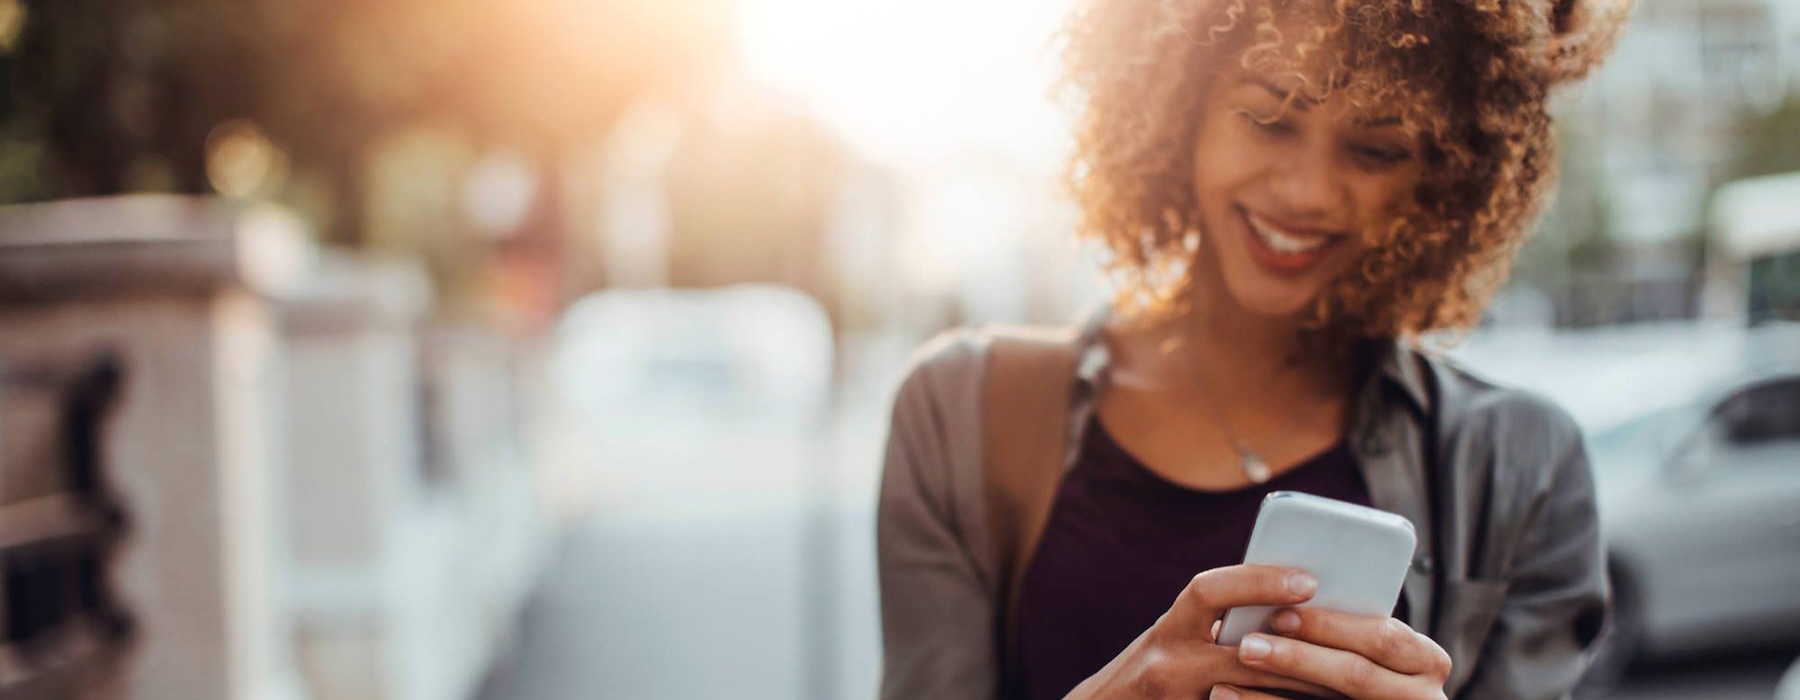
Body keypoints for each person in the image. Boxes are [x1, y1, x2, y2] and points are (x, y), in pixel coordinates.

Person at [876, 0, 1633, 698]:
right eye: (1270, 119)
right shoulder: (964, 411)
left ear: (1444, 178)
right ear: (1179, 107)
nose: (1308, 190)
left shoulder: (1524, 467)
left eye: (1375, 149)